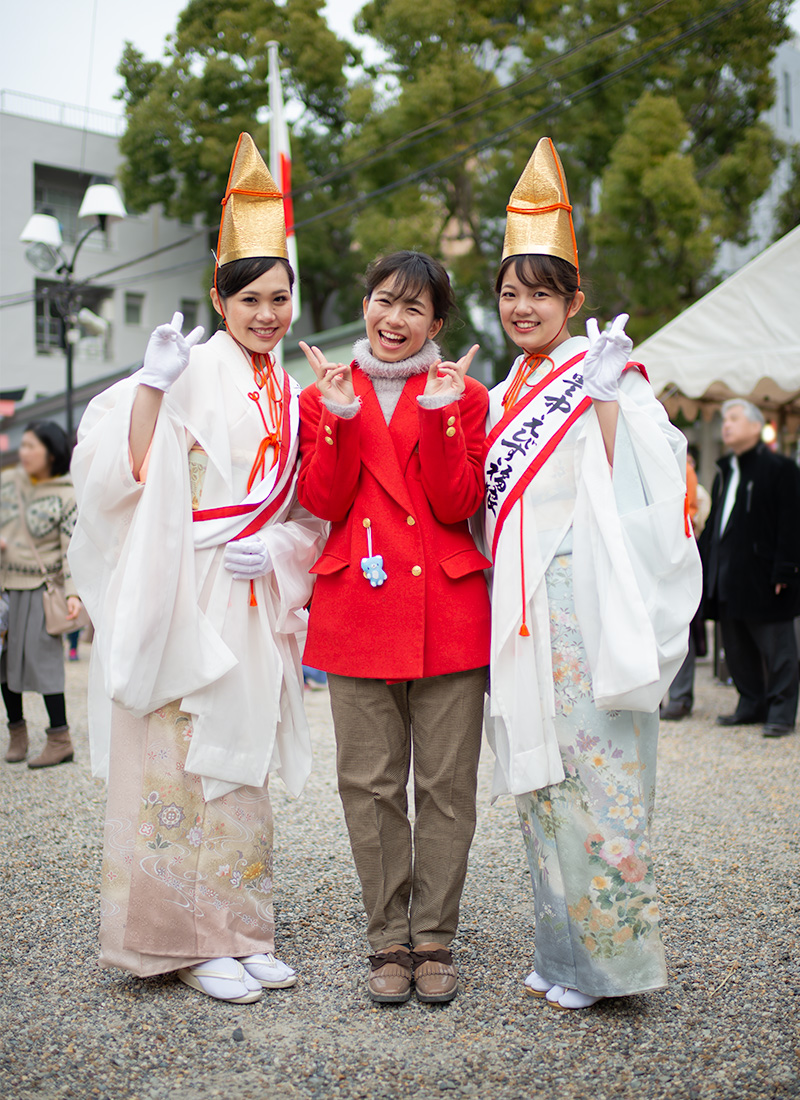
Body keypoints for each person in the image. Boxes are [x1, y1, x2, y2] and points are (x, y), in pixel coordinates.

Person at [68, 134, 327, 1004]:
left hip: (251, 584)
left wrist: (284, 552)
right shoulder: (183, 367)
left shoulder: (290, 392)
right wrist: (149, 386)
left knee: (239, 759)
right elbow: (120, 476)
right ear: (220, 296)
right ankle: (178, 936)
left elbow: (305, 516)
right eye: (251, 298)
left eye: (280, 298)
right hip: (185, 584)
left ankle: (241, 926)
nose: (267, 314)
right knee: (178, 759)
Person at [483, 138, 701, 1011]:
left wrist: (608, 401)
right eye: (510, 292)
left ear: (574, 299)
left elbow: (650, 488)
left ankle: (613, 966)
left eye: (540, 292)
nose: (523, 307)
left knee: (599, 784)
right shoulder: (502, 393)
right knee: (540, 785)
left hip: (585, 604)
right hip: (522, 607)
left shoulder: (604, 373)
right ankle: (561, 952)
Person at [296, 251, 491, 1005]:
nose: (394, 320)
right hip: (357, 607)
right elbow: (324, 499)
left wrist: (443, 415)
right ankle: (387, 938)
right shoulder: (326, 396)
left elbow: (455, 504)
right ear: (367, 306)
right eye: (384, 302)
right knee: (368, 785)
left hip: (446, 611)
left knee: (445, 785)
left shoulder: (464, 395)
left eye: (414, 309)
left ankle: (435, 935)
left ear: (436, 323)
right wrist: (339, 420)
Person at [698, 399, 800, 737]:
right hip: (727, 575)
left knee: (777, 648)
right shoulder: (725, 470)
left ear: (756, 426)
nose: (726, 424)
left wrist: (785, 569)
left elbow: (791, 523)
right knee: (736, 645)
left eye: (735, 418)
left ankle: (782, 712)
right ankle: (751, 703)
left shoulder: (781, 470)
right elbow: (716, 524)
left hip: (765, 575)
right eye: (724, 418)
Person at [1, 421, 84, 767]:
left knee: (45, 664)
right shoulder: (7, 484)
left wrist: (74, 593)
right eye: (24, 445)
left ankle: (60, 739)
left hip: (40, 591)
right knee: (4, 666)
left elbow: (73, 549)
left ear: (51, 453)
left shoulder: (67, 495)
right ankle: (16, 733)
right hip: (5, 590)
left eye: (32, 446)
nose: (24, 452)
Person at [660, 454, 710, 721]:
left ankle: (680, 696)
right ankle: (654, 695)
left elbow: (689, 507)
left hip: (674, 545)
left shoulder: (680, 462)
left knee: (679, 623)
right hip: (641, 545)